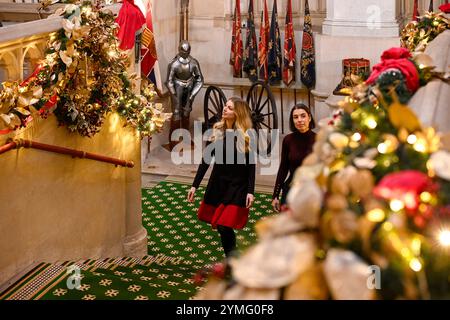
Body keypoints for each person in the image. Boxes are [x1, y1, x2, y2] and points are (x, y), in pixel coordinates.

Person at [187, 97, 256, 258]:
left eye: (230, 108)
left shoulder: (246, 135)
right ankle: (232, 259)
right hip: (218, 184)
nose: (225, 109)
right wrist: (194, 185)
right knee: (220, 225)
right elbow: (205, 161)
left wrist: (250, 191)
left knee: (225, 225)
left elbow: (251, 166)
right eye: (225, 106)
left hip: (237, 187)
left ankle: (233, 260)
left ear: (238, 113)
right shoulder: (216, 132)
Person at [271, 104, 316, 212]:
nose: (299, 120)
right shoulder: (288, 140)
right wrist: (275, 195)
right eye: (295, 117)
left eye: (303, 116)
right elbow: (283, 168)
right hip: (291, 188)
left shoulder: (318, 140)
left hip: (311, 190)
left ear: (309, 118)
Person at [165, 40, 204, 150]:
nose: (186, 54)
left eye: (187, 51)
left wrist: (192, 94)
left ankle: (186, 138)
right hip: (177, 87)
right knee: (176, 113)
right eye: (184, 51)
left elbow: (200, 79)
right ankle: (174, 139)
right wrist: (174, 94)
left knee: (186, 112)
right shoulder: (174, 64)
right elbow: (169, 81)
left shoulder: (193, 62)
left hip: (190, 87)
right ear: (179, 50)